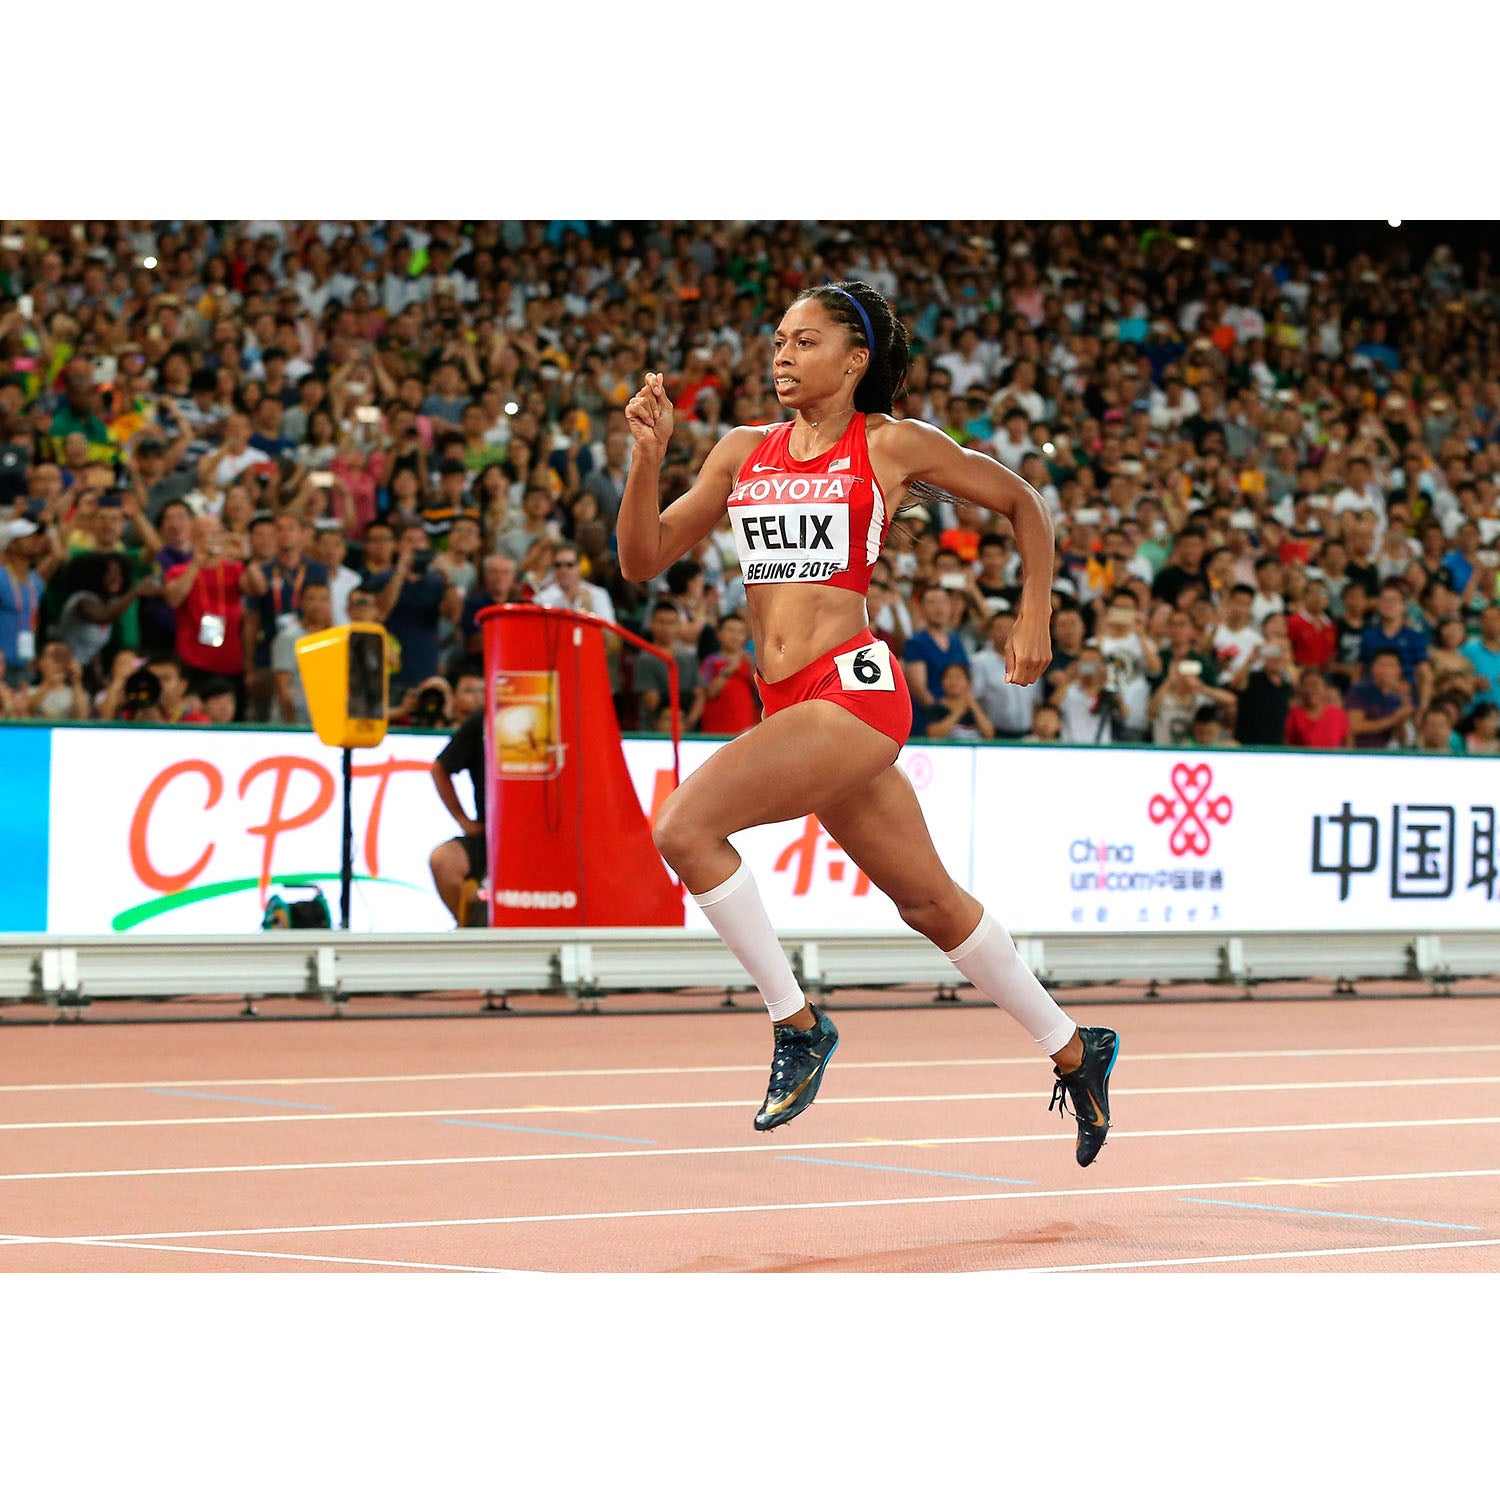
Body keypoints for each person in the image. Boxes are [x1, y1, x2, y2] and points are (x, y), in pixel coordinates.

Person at [616, 280, 1117, 1166]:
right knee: (929, 904)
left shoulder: (889, 444)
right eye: (779, 340)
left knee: (684, 827)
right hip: (789, 702)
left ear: (855, 361)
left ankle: (797, 1024)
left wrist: (1034, 611)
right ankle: (1077, 1049)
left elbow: (1024, 503)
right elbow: (642, 559)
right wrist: (646, 458)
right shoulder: (740, 451)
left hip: (852, 694)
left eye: (805, 342)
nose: (783, 355)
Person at [429, 703, 487, 925]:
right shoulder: (482, 720)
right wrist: (463, 820)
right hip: (490, 837)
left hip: (547, 839)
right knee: (443, 860)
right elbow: (440, 769)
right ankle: (469, 927)